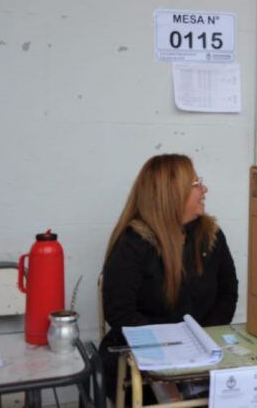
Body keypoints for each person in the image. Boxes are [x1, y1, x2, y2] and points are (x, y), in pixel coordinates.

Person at [99, 154, 238, 400]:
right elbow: (120, 314)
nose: (205, 189)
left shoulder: (210, 235)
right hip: (145, 361)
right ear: (171, 193)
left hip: (204, 354)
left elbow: (228, 292)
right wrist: (176, 350)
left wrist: (204, 341)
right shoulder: (134, 244)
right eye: (196, 184)